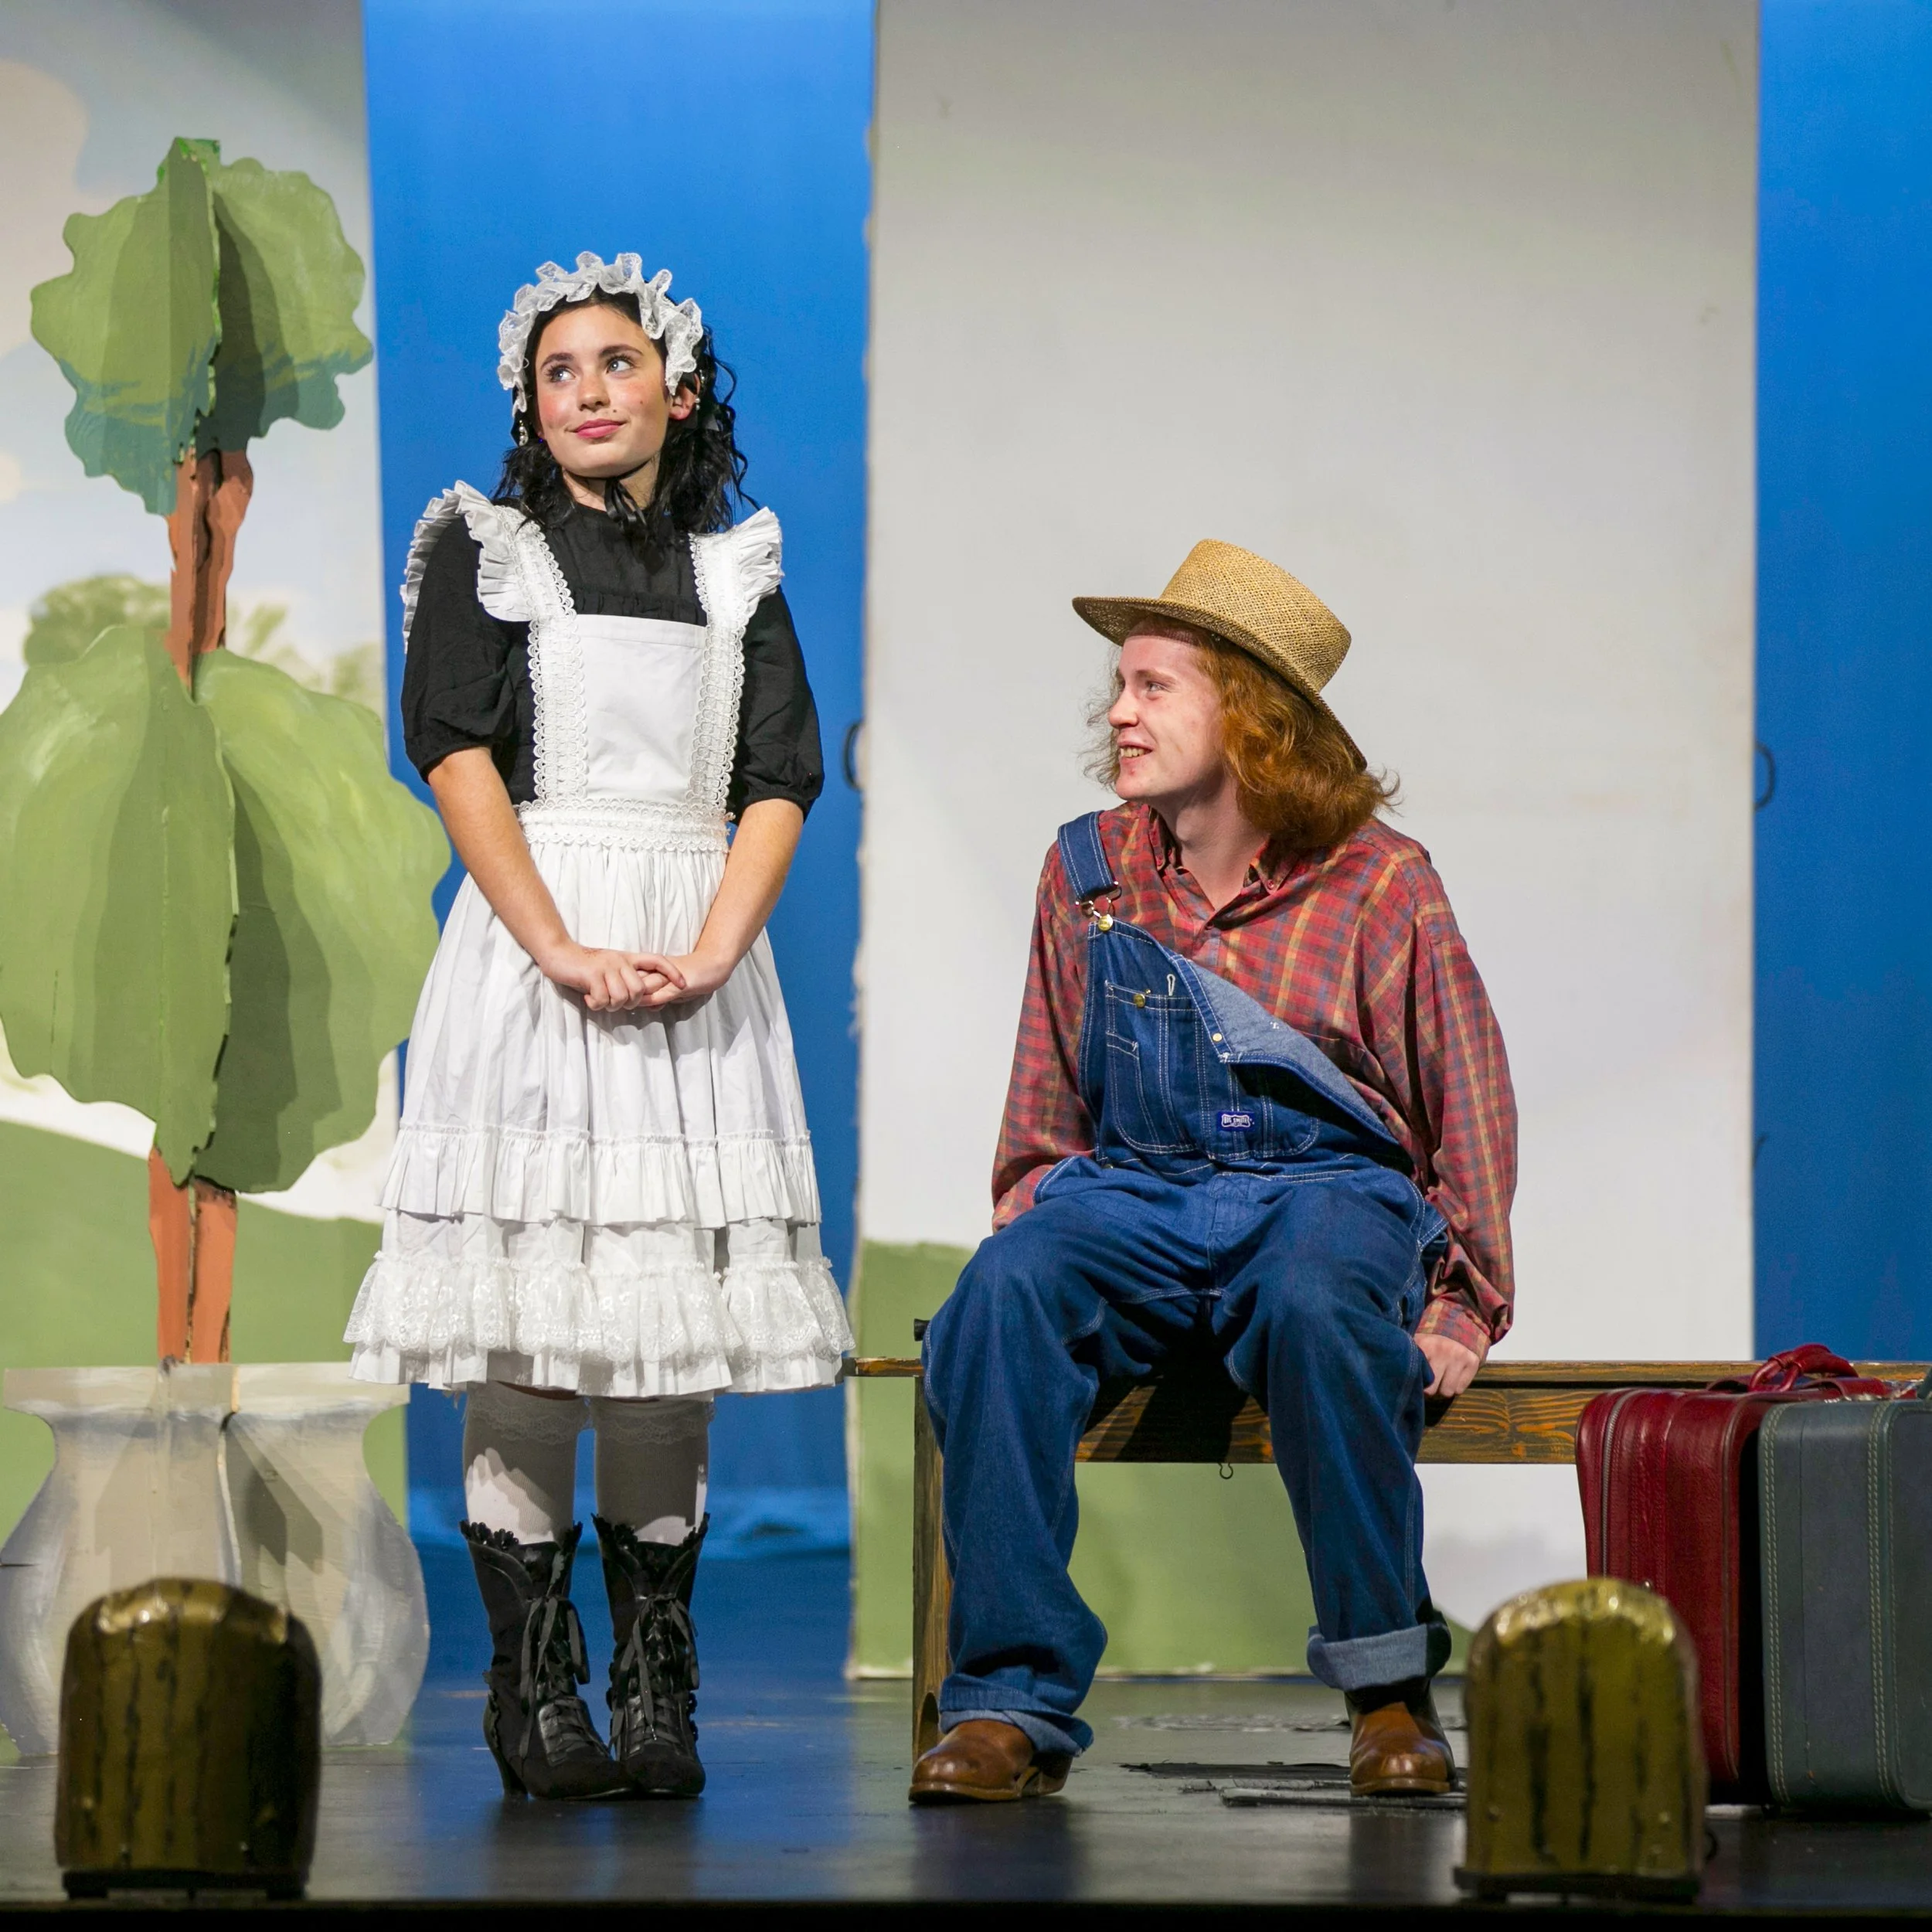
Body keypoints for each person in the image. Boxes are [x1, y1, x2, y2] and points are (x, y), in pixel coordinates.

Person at [345, 253, 850, 1801]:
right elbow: (455, 756)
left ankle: (654, 1684)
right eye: (557, 370)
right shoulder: (485, 549)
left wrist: (713, 949)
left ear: (675, 390)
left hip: (695, 957)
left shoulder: (735, 570)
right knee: (536, 1325)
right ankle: (532, 1687)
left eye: (615, 363)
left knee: (659, 1339)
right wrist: (557, 943)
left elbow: (778, 778)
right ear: (530, 402)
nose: (586, 390)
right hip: (534, 948)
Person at [910, 541, 1516, 1804]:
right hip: (1141, 1191)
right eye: (1118, 687)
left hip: (1324, 1194)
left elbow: (1466, 1094)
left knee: (1315, 1304)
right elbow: (1047, 1094)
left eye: (1153, 687)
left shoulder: (1378, 880)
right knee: (996, 1300)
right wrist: (1040, 1223)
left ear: (1250, 713)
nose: (1119, 714)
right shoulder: (1089, 869)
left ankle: (1386, 1691)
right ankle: (1009, 1701)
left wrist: (1463, 1301)